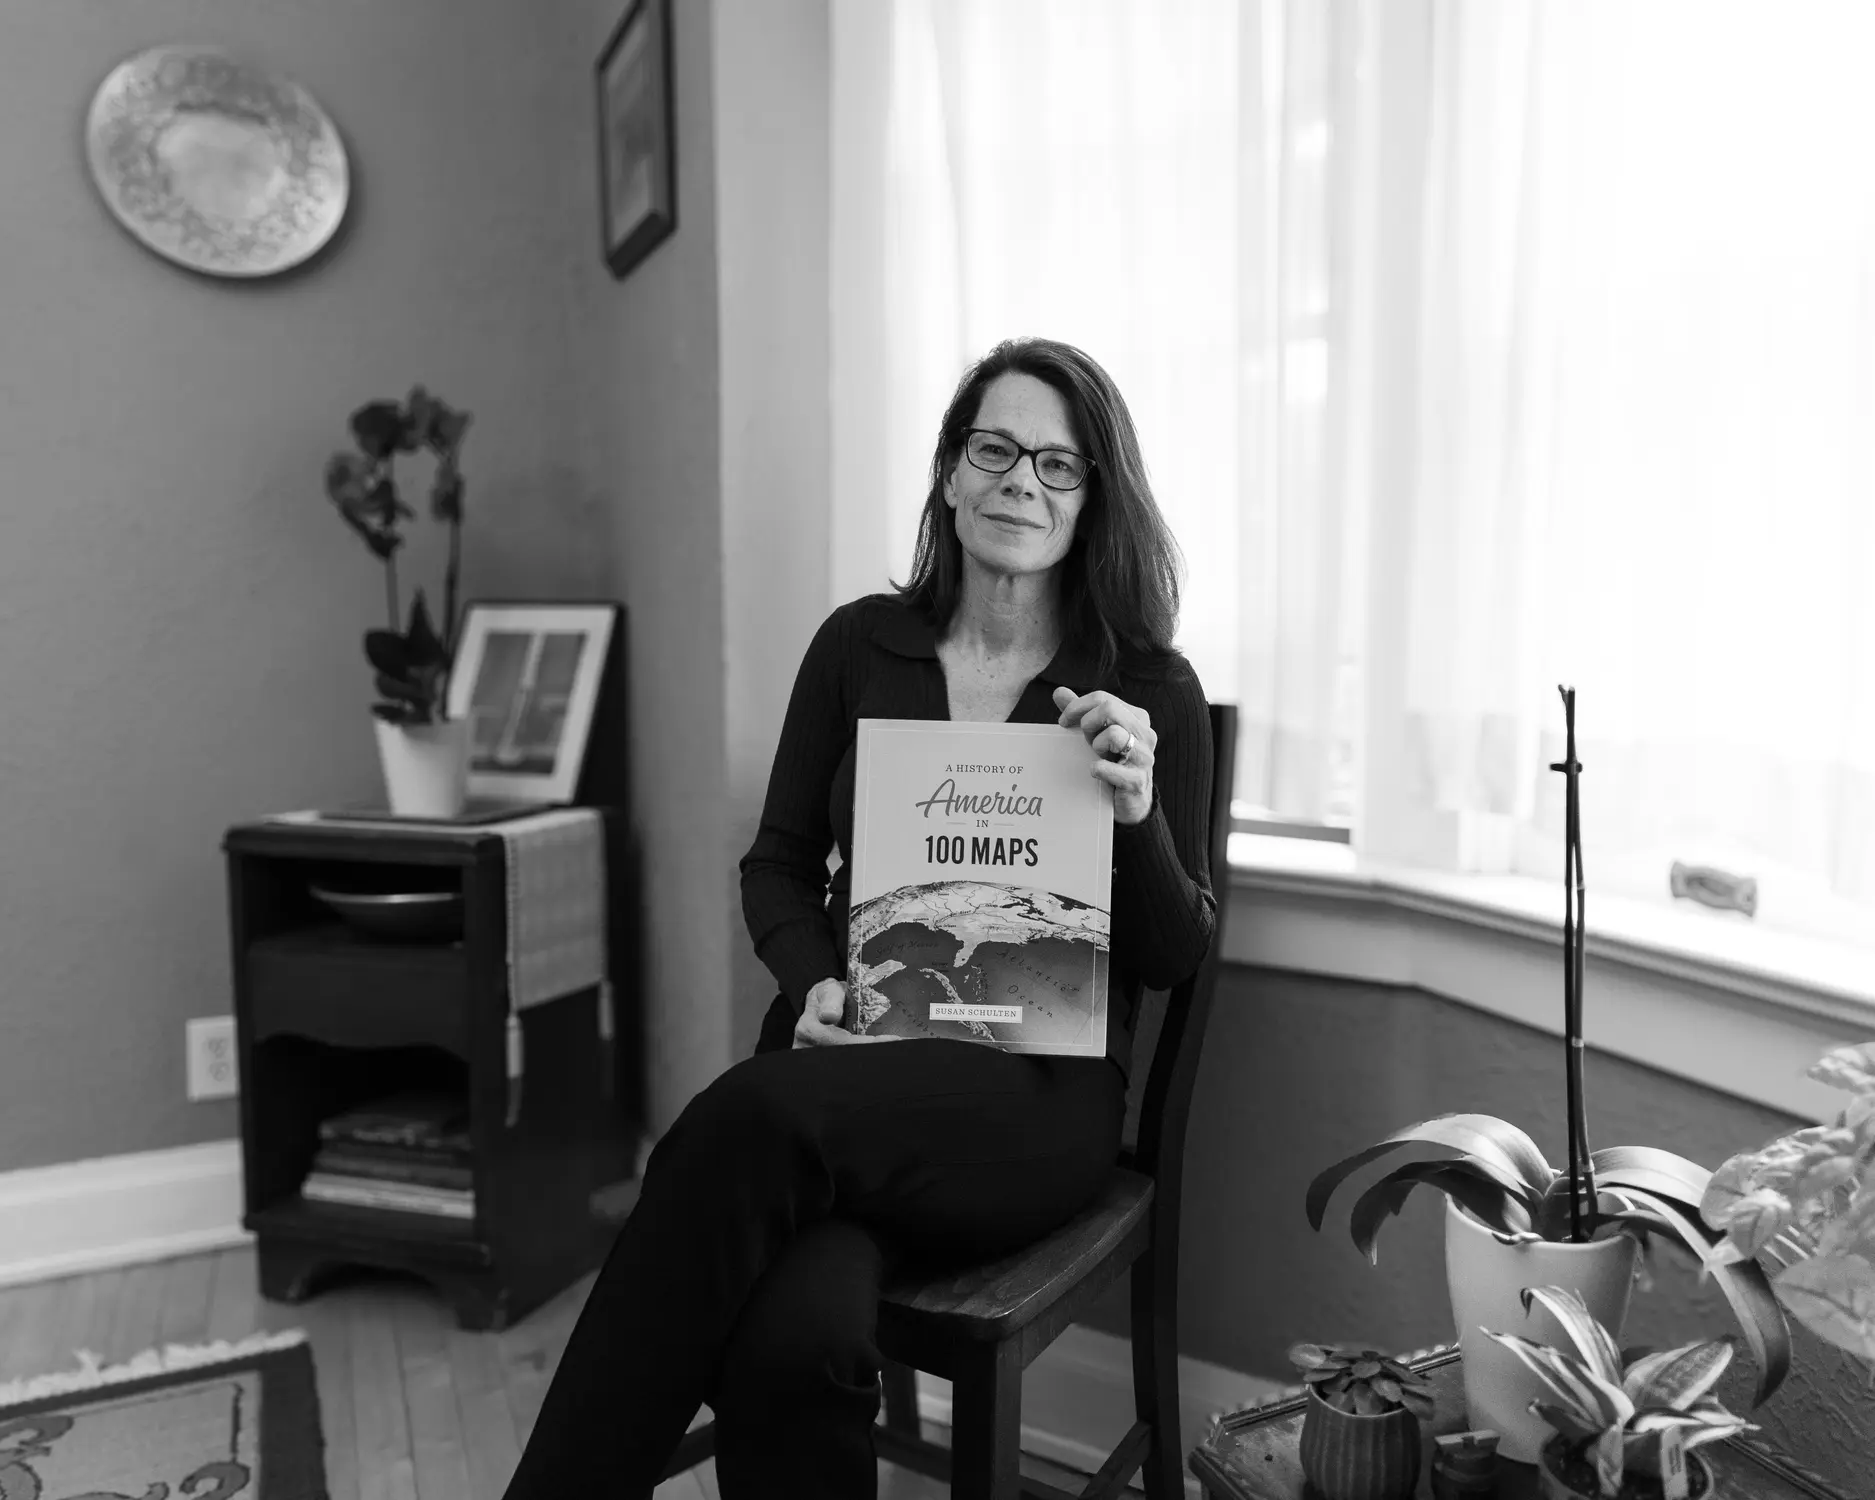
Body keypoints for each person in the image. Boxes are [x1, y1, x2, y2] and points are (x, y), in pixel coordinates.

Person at [500, 337, 1216, 1499]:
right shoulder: (857, 647)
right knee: (799, 1348)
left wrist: (1136, 809)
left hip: (1032, 1099)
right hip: (848, 1064)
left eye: (1058, 464)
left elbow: (1173, 954)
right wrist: (810, 984)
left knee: (742, 1117)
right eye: (993, 448)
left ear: (1094, 498)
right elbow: (777, 866)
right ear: (948, 471)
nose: (1019, 481)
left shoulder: (1145, 689)